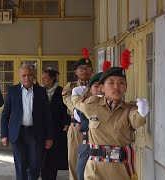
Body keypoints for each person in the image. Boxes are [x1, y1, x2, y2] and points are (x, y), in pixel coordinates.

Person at [71, 49, 149, 180]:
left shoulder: (129, 109)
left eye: (121, 83)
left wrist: (142, 113)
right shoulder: (93, 105)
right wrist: (74, 96)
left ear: (126, 88)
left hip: (119, 169)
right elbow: (78, 103)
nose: (116, 87)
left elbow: (136, 121)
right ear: (102, 87)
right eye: (111, 82)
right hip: (95, 168)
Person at [1, 65, 54, 180]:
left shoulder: (41, 91)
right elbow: (5, 114)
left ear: (33, 76)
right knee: (20, 166)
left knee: (35, 166)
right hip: (18, 133)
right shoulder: (12, 91)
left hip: (35, 133)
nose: (27, 78)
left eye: (29, 75)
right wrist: (4, 134)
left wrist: (49, 137)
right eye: (23, 75)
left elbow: (47, 116)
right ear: (20, 77)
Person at [62, 48, 93, 180]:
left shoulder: (97, 85)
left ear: (92, 70)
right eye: (81, 68)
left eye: (87, 68)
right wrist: (78, 108)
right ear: (76, 71)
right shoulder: (71, 86)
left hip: (93, 127)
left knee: (92, 159)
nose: (84, 71)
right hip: (75, 127)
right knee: (74, 160)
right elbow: (68, 100)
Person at [40, 69, 70, 180]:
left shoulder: (61, 91)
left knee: (53, 158)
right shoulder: (41, 91)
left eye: (45, 78)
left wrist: (67, 123)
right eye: (42, 78)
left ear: (52, 79)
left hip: (57, 129)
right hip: (43, 130)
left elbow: (67, 108)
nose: (42, 80)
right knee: (43, 158)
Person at [74, 72, 103, 180]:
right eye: (96, 86)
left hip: (106, 146)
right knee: (81, 173)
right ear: (90, 89)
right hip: (88, 144)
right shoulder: (85, 104)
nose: (100, 90)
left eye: (102, 86)